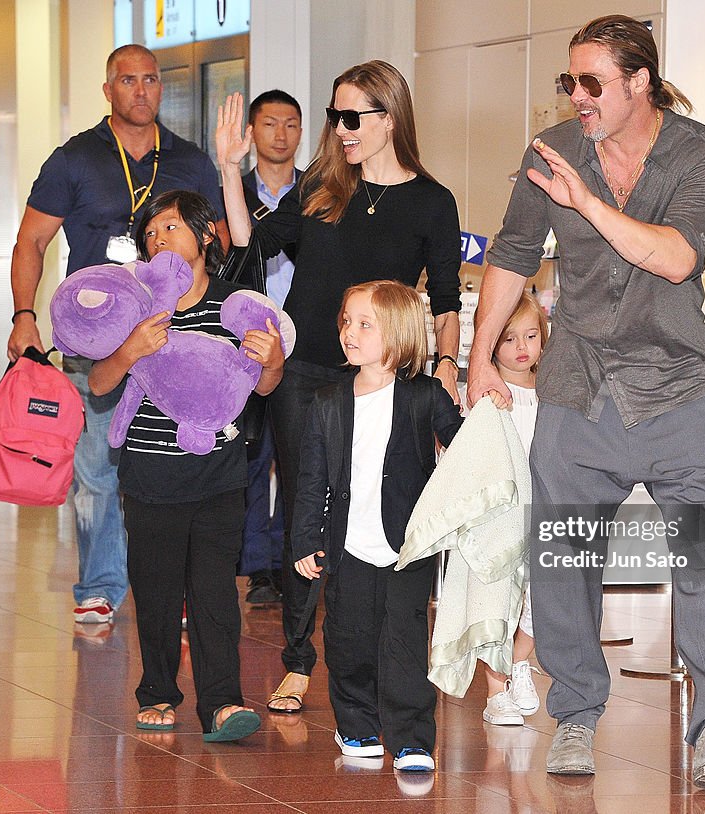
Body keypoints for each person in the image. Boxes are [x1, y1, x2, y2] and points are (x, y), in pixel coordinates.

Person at [466, 15, 705, 788]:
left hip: (676, 389)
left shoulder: (704, 153)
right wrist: (475, 357)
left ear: (640, 82)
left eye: (592, 82)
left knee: (702, 557)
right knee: (563, 559)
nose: (577, 96)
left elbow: (674, 257)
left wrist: (590, 205)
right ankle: (573, 716)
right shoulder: (554, 150)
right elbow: (513, 253)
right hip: (578, 388)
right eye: (570, 81)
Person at [216, 60, 463, 713]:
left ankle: (385, 652)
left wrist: (445, 365)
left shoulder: (432, 201)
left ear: (389, 118)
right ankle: (298, 662)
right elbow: (250, 246)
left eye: (353, 117)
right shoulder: (322, 186)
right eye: (335, 116)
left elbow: (444, 297)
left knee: (384, 508)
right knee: (309, 507)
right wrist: (229, 171)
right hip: (306, 375)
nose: (341, 129)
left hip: (386, 380)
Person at [7, 44, 228, 626]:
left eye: (150, 80)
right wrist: (24, 315)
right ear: (108, 90)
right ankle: (102, 584)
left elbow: (221, 244)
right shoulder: (75, 158)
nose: (140, 90)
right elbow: (30, 241)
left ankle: (174, 587)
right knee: (98, 468)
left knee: (172, 464)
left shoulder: (190, 161)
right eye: (127, 80)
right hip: (97, 344)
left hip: (172, 338)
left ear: (161, 87)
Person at [89, 189, 283, 741]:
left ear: (203, 237)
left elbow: (264, 385)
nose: (157, 241)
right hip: (149, 478)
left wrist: (274, 361)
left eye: (169, 229)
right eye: (149, 235)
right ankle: (157, 693)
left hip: (218, 475)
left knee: (214, 592)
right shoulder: (137, 306)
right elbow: (100, 384)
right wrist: (130, 350)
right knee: (155, 592)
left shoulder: (234, 305)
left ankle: (222, 703)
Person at [292, 280, 462, 772]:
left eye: (365, 323)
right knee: (348, 638)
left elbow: (463, 448)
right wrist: (306, 538)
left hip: (407, 546)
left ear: (400, 333)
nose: (350, 331)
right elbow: (311, 479)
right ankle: (358, 726)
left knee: (405, 641)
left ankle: (411, 737)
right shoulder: (327, 401)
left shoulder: (425, 395)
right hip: (348, 545)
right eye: (347, 320)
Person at [236, 89, 304, 607]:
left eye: (291, 124)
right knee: (251, 457)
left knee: (299, 459)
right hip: (245, 348)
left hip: (305, 346)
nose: (281, 134)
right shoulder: (232, 195)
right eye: (270, 124)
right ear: (252, 132)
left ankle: (288, 562)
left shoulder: (321, 194)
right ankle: (257, 567)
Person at [476, 292, 547, 727]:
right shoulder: (488, 398)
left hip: (545, 512)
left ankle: (520, 663)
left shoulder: (553, 395)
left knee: (542, 601)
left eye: (532, 336)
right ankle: (495, 690)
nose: (522, 347)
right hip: (502, 516)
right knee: (500, 603)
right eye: (509, 339)